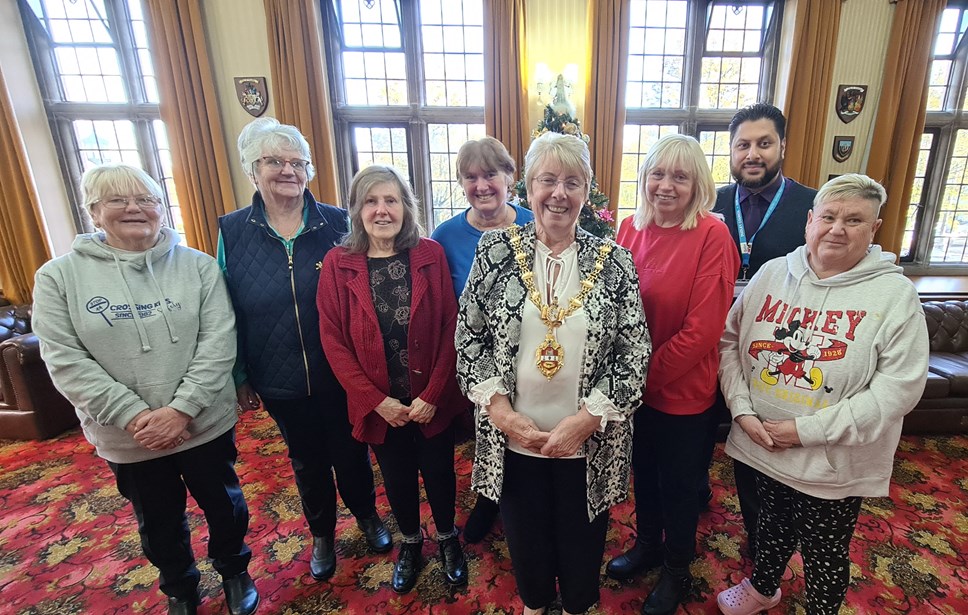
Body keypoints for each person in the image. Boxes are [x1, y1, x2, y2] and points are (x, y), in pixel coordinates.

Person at [32, 164, 258, 615]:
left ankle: (234, 570)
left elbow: (219, 341)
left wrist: (182, 410)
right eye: (117, 200)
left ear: (161, 207)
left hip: (204, 423)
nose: (134, 208)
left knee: (225, 503)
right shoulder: (58, 278)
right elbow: (65, 359)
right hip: (126, 435)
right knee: (156, 520)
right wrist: (135, 417)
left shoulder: (199, 267)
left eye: (146, 199)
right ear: (94, 212)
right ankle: (180, 586)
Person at [715, 174, 929, 614]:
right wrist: (741, 410)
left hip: (830, 462)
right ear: (809, 221)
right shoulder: (773, 274)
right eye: (828, 216)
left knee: (824, 551)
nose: (837, 228)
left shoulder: (894, 295)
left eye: (854, 220)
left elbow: (898, 389)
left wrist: (806, 431)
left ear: (875, 229)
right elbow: (729, 343)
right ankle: (763, 589)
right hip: (764, 443)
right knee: (768, 525)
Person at [456, 132, 650, 615]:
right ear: (527, 186)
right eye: (547, 180)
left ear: (587, 190)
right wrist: (501, 412)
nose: (558, 194)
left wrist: (587, 419)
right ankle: (536, 603)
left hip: (590, 440)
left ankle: (577, 605)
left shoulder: (616, 261)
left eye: (572, 182)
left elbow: (635, 352)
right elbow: (469, 339)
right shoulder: (495, 252)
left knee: (583, 545)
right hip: (514, 437)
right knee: (526, 542)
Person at [218, 118, 390, 582]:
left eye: (297, 162)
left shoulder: (337, 221)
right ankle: (322, 534)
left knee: (352, 451)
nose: (287, 171)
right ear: (252, 170)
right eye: (274, 161)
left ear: (310, 171)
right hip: (277, 374)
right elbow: (225, 309)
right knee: (306, 459)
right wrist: (239, 376)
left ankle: (368, 517)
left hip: (342, 372)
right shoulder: (232, 232)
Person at [317, 165, 468, 594]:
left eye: (391, 200)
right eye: (371, 201)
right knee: (397, 476)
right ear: (357, 210)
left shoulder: (429, 254)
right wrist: (374, 400)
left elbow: (449, 327)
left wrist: (434, 393)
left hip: (429, 399)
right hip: (382, 404)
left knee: (439, 471)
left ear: (406, 207)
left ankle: (446, 538)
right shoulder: (338, 263)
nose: (382, 210)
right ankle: (410, 541)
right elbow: (332, 339)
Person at [608, 135, 739, 615]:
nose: (666, 185)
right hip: (634, 393)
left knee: (679, 486)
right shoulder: (629, 229)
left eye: (680, 176)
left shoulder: (712, 236)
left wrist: (635, 381)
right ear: (643, 179)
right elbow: (613, 311)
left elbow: (702, 331)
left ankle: (678, 567)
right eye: (657, 174)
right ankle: (647, 546)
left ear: (697, 184)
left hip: (683, 394)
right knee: (642, 472)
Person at [708, 103, 819, 558]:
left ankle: (763, 539)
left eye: (763, 143)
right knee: (701, 433)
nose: (752, 154)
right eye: (743, 145)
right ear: (731, 151)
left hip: (777, 348)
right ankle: (694, 503)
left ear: (782, 147)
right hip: (710, 341)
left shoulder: (812, 205)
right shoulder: (709, 202)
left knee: (762, 445)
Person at [430, 136, 534, 543]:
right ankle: (489, 501)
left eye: (490, 174)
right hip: (480, 362)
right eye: (471, 177)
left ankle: (525, 503)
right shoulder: (445, 237)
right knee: (489, 431)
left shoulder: (535, 223)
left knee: (529, 432)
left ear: (510, 177)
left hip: (536, 356)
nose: (482, 185)